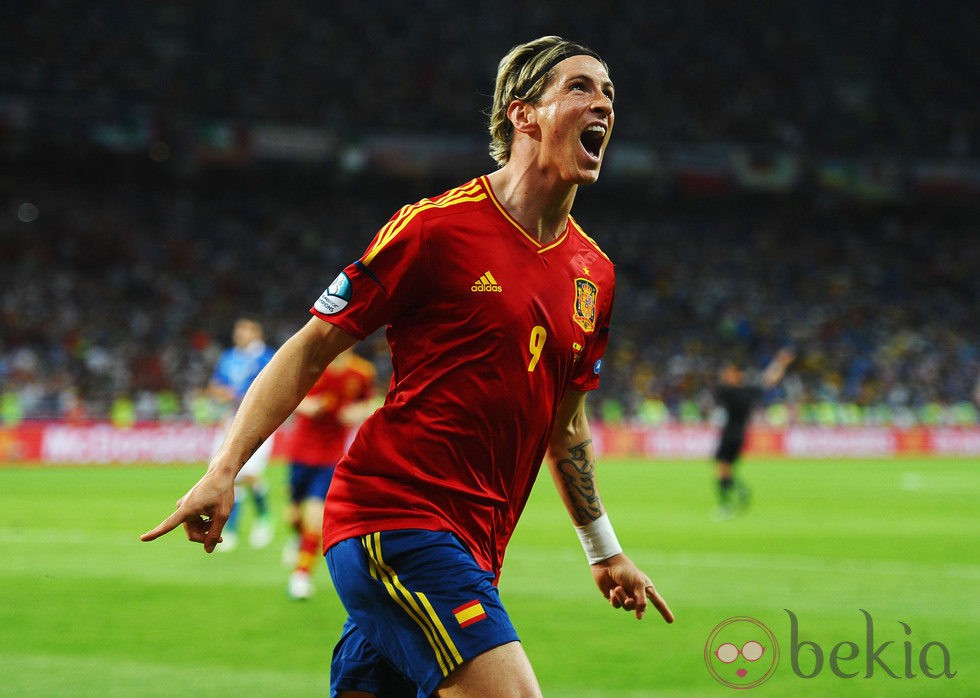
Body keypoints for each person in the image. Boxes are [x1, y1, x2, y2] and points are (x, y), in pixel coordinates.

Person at [142, 35, 673, 696]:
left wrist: (605, 550)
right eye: (581, 88)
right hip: (394, 518)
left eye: (609, 94)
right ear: (523, 113)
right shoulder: (436, 230)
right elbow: (312, 346)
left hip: (475, 546)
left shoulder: (595, 273)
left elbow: (565, 428)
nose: (603, 104)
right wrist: (224, 469)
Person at [283, 347, 378, 600]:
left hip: (331, 456)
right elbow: (289, 394)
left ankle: (300, 575)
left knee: (316, 516)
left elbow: (370, 403)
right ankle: (299, 540)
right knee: (292, 517)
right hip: (301, 453)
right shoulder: (313, 364)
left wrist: (359, 412)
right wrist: (306, 405)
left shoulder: (362, 371)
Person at [207, 317, 277, 550]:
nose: (240, 334)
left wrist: (244, 393)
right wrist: (223, 393)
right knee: (228, 475)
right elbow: (215, 386)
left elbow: (273, 385)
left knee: (249, 474)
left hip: (260, 422)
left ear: (256, 333)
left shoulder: (267, 356)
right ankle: (233, 529)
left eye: (245, 330)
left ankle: (265, 517)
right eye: (238, 330)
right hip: (231, 420)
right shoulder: (228, 358)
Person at [711, 347, 795, 520]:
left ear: (735, 375)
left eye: (730, 372)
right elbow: (769, 380)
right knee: (726, 469)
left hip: (729, 434)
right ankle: (739, 493)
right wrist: (780, 362)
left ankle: (728, 503)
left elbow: (720, 389)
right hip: (741, 434)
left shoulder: (727, 392)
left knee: (722, 468)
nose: (727, 375)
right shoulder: (748, 391)